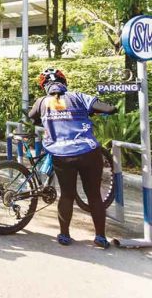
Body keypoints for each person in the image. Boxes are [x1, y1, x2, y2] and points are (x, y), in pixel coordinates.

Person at [28, 67, 117, 249]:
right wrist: (96, 111)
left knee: (66, 195)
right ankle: (100, 237)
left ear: (44, 86)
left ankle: (64, 235)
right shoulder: (79, 97)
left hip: (62, 155)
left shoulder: (42, 102)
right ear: (64, 82)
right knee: (93, 195)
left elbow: (31, 117)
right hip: (88, 152)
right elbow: (110, 109)